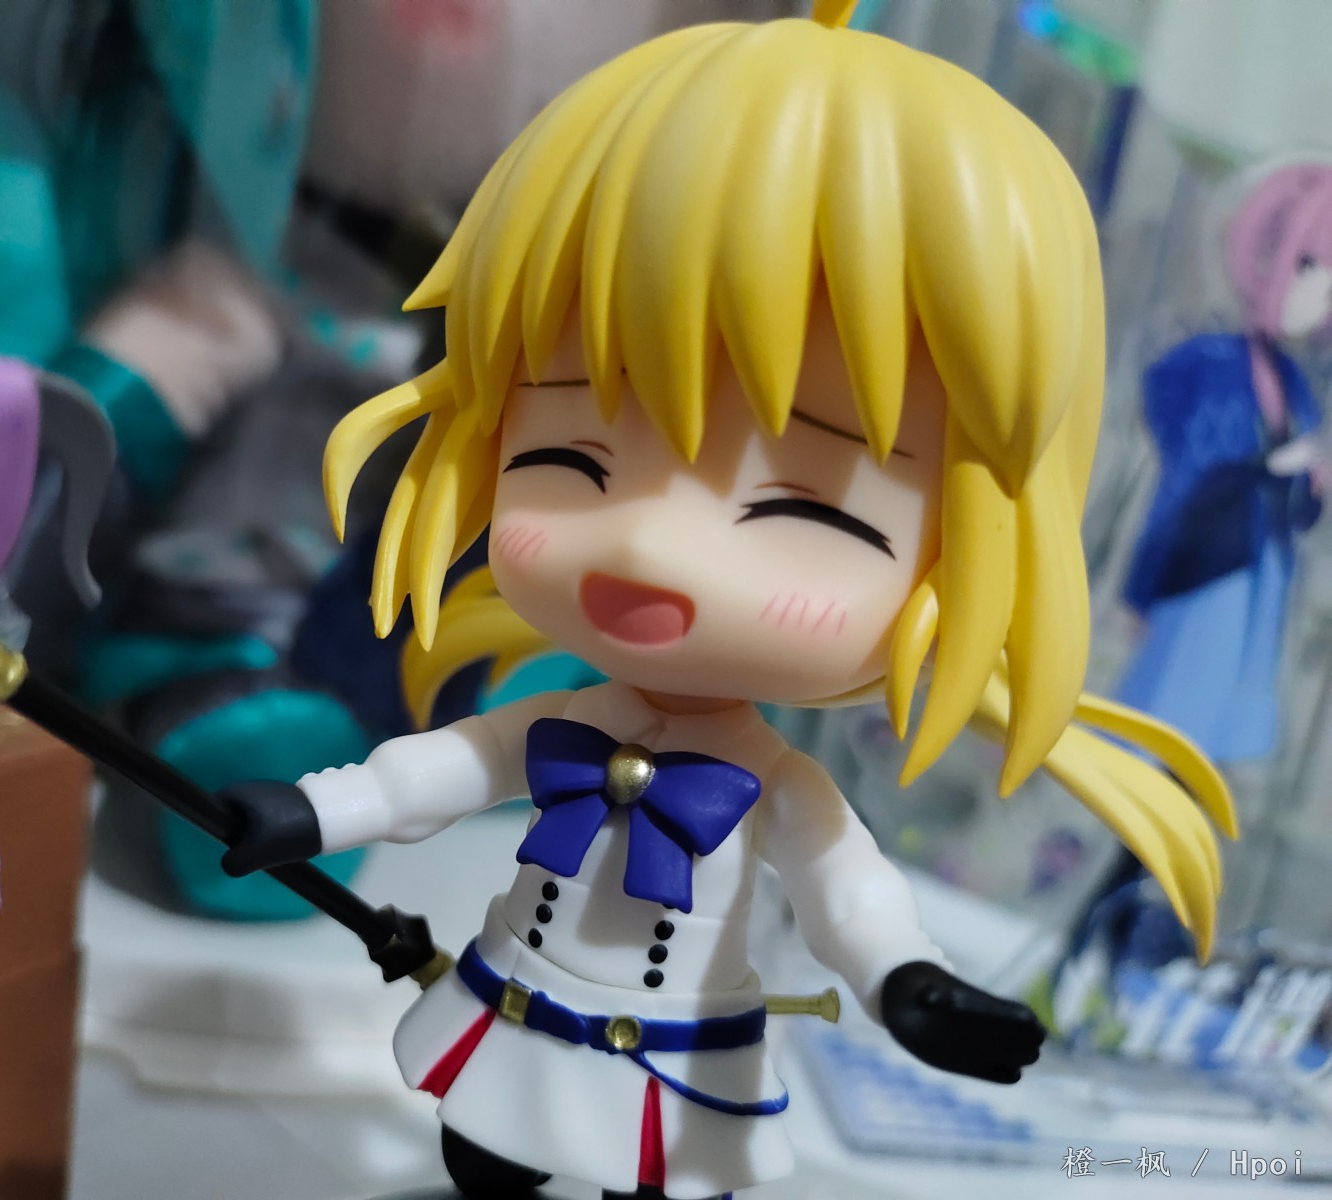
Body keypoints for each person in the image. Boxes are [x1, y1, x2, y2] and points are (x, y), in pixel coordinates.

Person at [220, 8, 1234, 1198]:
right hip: (521, 1011)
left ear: (970, 546)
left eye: (805, 511)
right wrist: (309, 810)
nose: (647, 543)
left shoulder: (776, 788)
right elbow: (432, 774)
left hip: (667, 1058)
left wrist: (909, 985)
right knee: (482, 1160)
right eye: (572, 460)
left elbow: (851, 899)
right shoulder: (557, 727)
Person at [1117, 162, 1331, 763]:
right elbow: (1189, 479)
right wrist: (1141, 587)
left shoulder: (1296, 386)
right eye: (1311, 269)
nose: (1320, 294)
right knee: (1173, 704)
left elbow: (1301, 510)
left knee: (1213, 725)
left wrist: (1309, 483)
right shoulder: (1213, 367)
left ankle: (1174, 804)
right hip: (1210, 569)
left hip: (1263, 572)